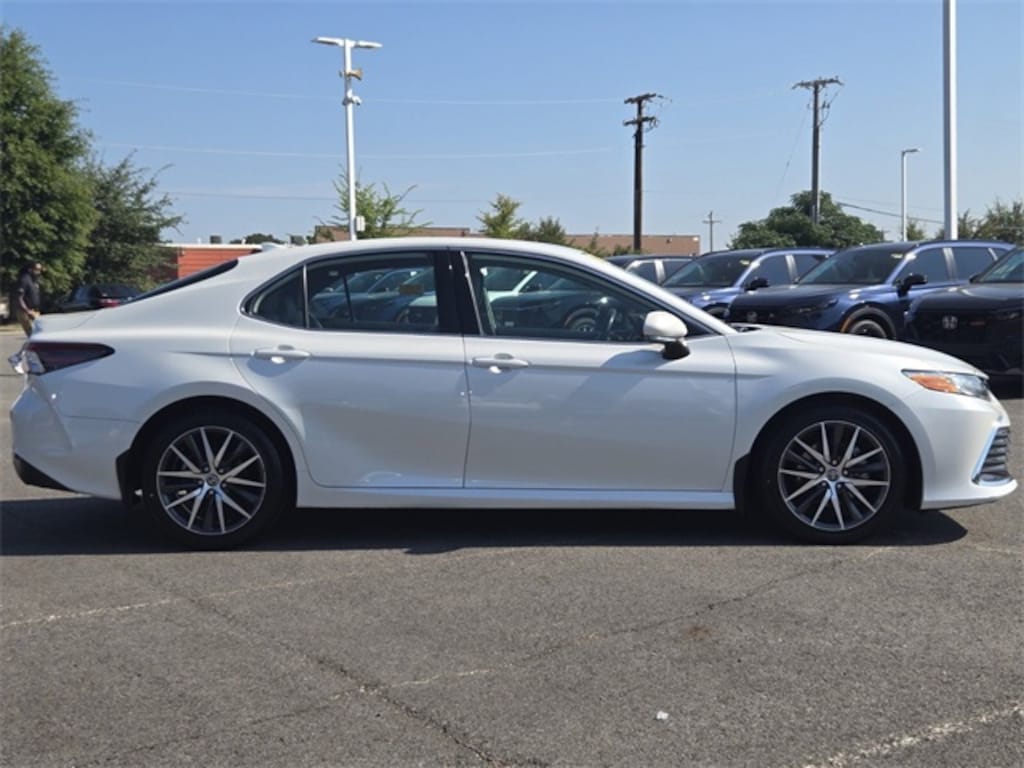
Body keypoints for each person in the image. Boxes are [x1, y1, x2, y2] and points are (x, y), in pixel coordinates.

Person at [15, 262, 43, 337]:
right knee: (33, 335)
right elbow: (19, 298)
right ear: (30, 270)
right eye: (37, 269)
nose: (39, 272)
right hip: (25, 311)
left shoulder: (33, 280)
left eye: (40, 269)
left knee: (40, 333)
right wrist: (28, 311)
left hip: (34, 310)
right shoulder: (24, 279)